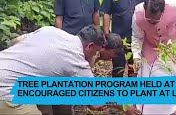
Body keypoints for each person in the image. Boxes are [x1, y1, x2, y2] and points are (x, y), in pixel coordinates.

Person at [1, 26, 142, 115]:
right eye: (96, 51)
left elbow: (17, 41)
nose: (96, 55)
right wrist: (125, 107)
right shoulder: (76, 59)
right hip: (7, 89)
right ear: (90, 46)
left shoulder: (51, 30)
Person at [131, 0, 176, 114]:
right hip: (150, 48)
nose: (152, 22)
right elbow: (137, 37)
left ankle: (170, 111)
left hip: (172, 48)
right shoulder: (137, 13)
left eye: (155, 20)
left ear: (162, 12)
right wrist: (136, 57)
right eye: (149, 19)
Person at [101, 0, 149, 77]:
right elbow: (106, 13)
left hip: (137, 37)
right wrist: (107, 35)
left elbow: (149, 8)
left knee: (135, 69)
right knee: (118, 69)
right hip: (119, 39)